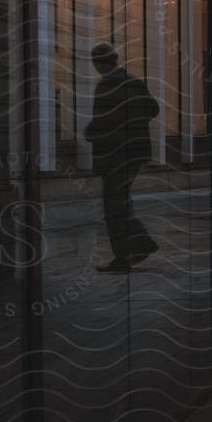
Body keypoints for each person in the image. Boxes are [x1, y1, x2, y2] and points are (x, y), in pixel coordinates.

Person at [84, 42, 160, 272]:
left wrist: (92, 132)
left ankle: (130, 252)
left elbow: (104, 120)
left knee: (114, 205)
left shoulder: (107, 85)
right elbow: (152, 109)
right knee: (121, 202)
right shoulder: (133, 82)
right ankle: (138, 245)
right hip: (134, 153)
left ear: (99, 63)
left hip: (115, 154)